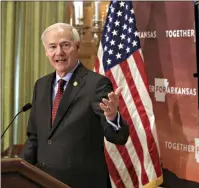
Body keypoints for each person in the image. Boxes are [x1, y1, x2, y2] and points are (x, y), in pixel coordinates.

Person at [20, 23, 129, 188]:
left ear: (77, 46)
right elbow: (34, 137)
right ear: (46, 51)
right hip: (43, 182)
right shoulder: (41, 85)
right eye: (52, 47)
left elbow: (118, 136)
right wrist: (20, 171)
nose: (59, 52)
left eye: (65, 45)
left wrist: (113, 117)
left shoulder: (96, 84)